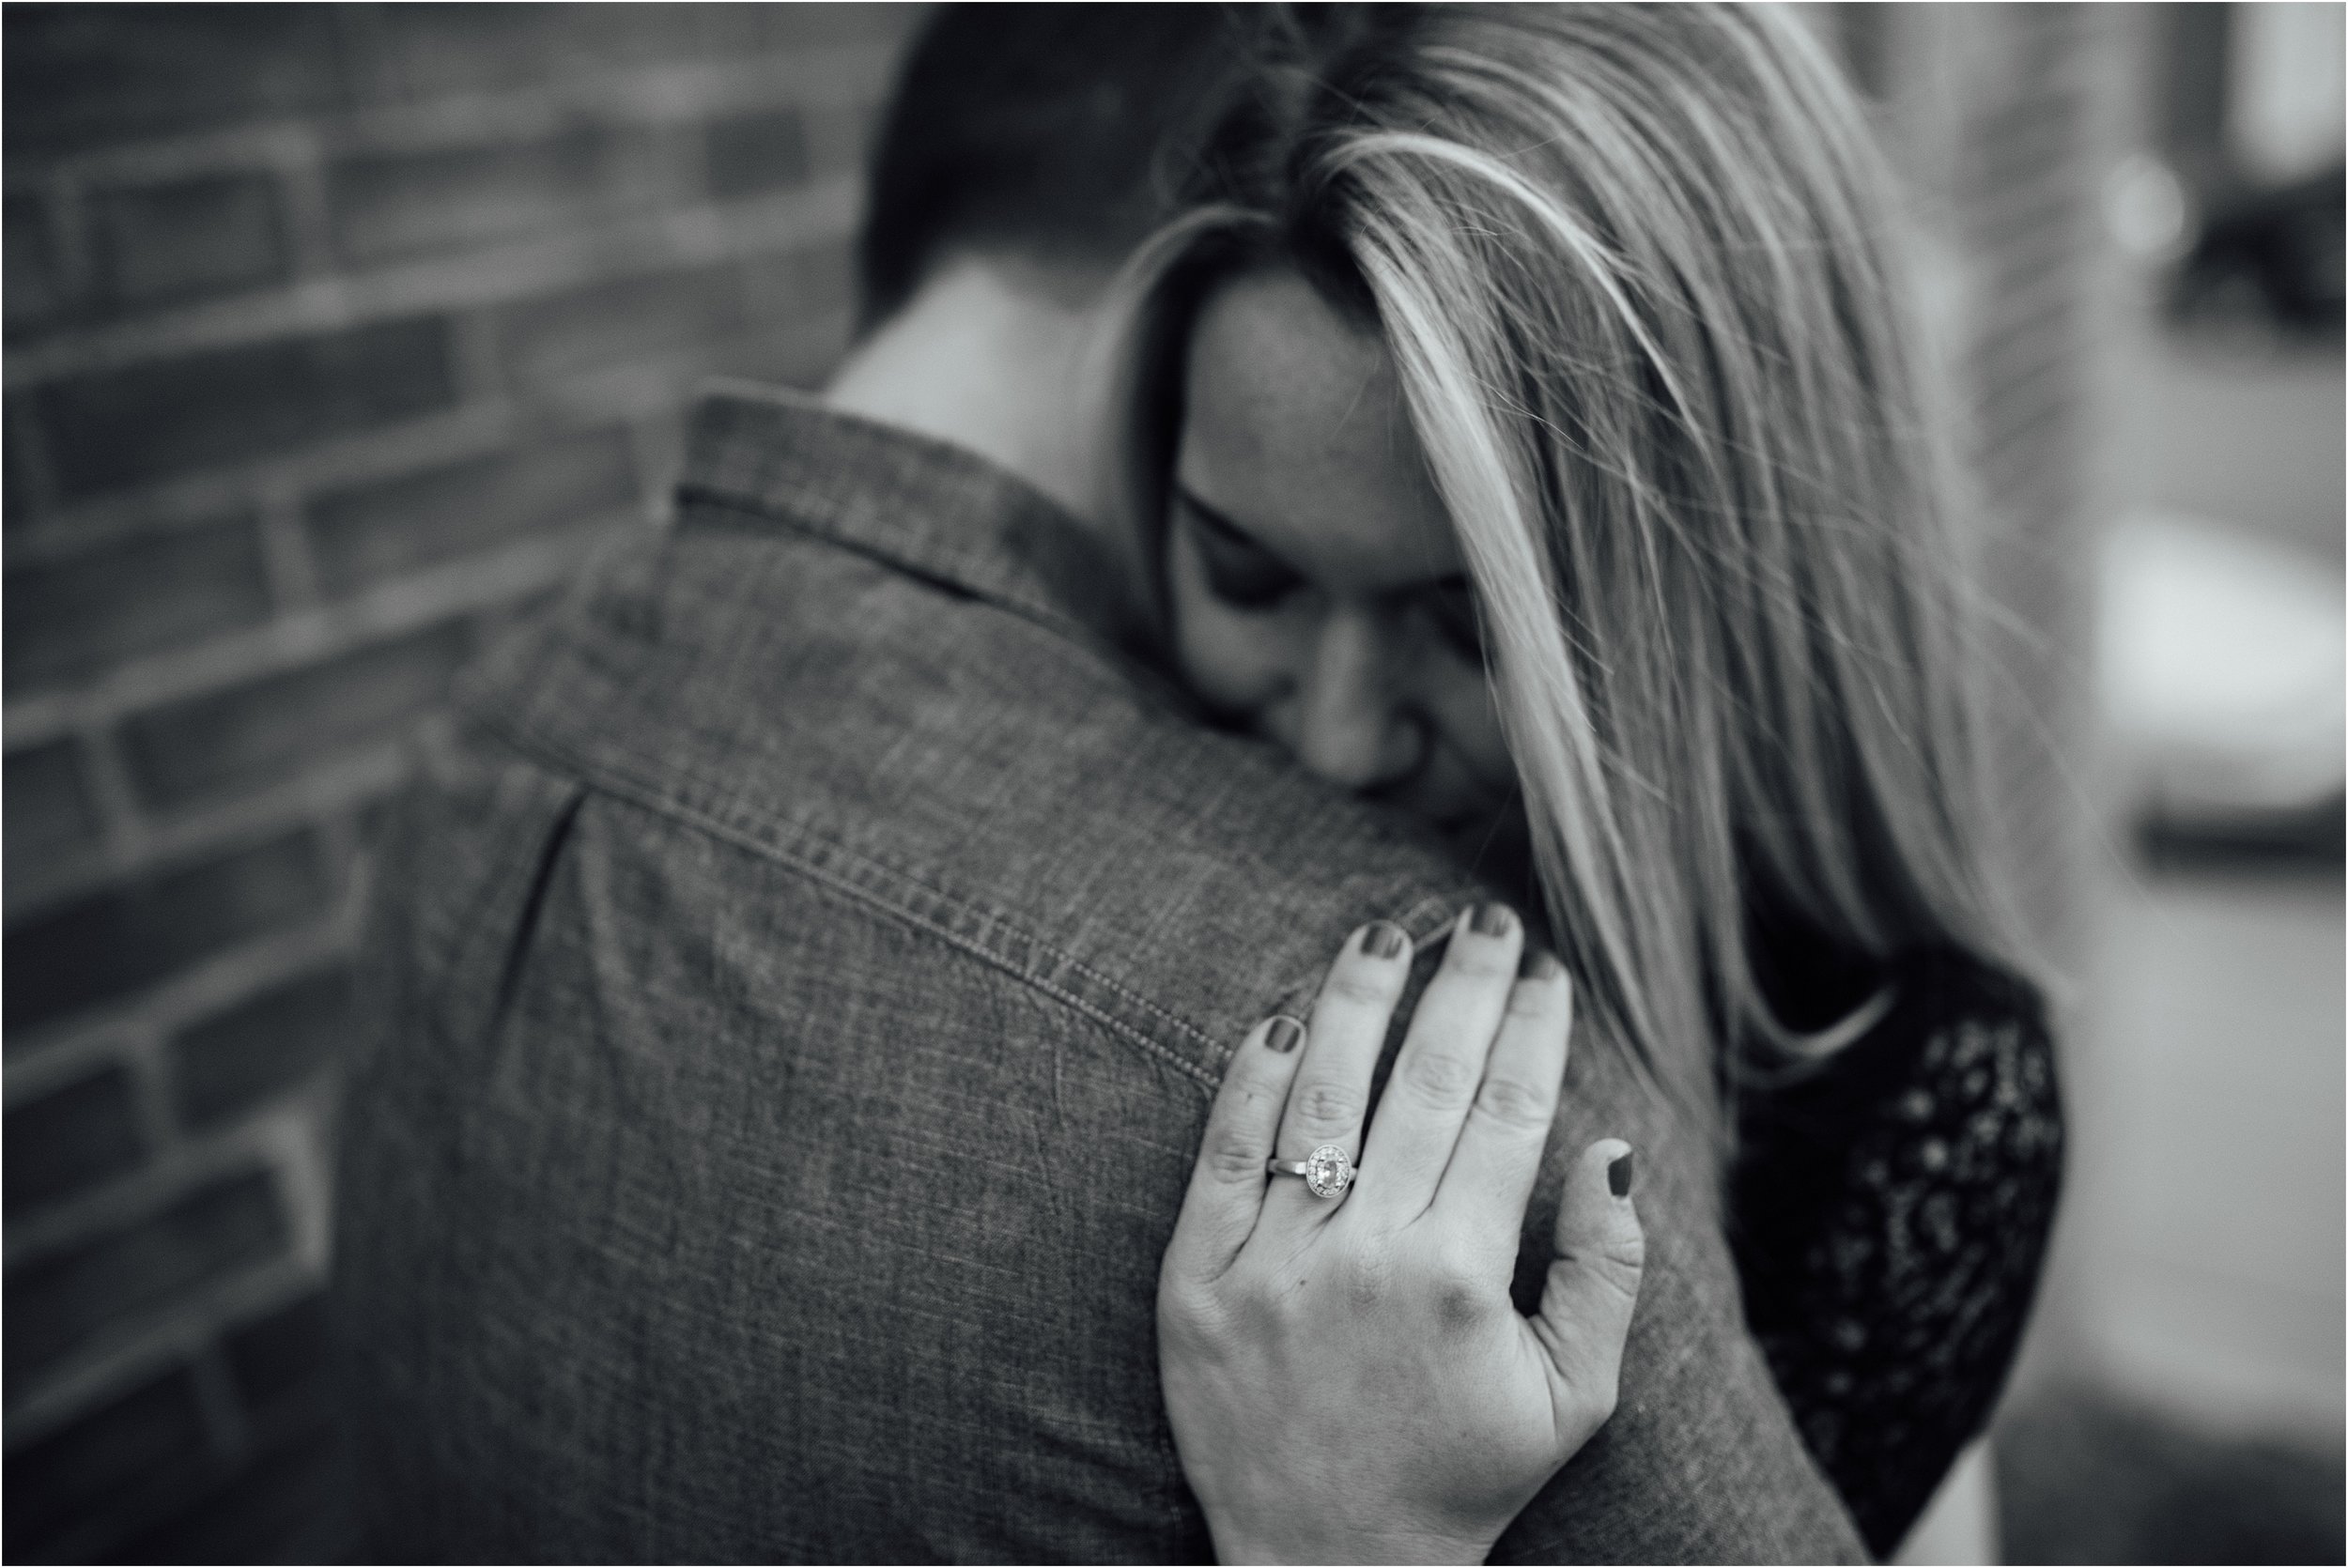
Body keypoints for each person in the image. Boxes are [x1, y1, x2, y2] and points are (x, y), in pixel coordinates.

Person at [333, 6, 2056, 1561]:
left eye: (1469, 630)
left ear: (1711, 608)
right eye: (1248, 576)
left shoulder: (1905, 1099)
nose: (1330, 734)